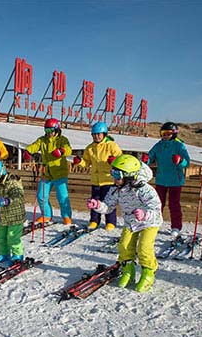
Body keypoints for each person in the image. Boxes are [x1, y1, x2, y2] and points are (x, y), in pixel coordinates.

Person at [86, 154, 162, 293]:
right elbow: (108, 206)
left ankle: (148, 272)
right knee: (124, 245)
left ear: (128, 176)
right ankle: (128, 270)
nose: (113, 177)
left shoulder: (144, 189)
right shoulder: (116, 189)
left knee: (144, 247)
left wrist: (145, 214)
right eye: (112, 172)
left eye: (116, 174)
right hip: (131, 222)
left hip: (149, 222)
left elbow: (156, 209)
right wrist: (97, 205)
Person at [143, 122, 191, 238]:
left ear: (174, 134)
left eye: (168, 134)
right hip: (161, 179)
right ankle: (155, 222)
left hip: (175, 180)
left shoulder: (179, 146)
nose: (165, 136)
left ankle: (176, 226)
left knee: (174, 204)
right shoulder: (159, 145)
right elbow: (151, 156)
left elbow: (187, 162)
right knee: (157, 203)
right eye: (163, 133)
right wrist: (146, 159)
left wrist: (180, 161)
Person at [72, 121, 123, 230]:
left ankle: (110, 222)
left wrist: (114, 161)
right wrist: (79, 161)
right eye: (94, 134)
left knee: (109, 202)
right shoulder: (90, 148)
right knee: (94, 201)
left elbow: (121, 159)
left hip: (109, 179)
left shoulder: (111, 146)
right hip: (96, 180)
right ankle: (94, 220)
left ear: (104, 134)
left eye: (98, 134)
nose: (96, 136)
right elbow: (86, 162)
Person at [24, 118, 73, 225]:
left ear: (57, 130)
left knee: (62, 197)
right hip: (47, 173)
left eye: (51, 131)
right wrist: (28, 151)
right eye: (46, 131)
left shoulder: (62, 140)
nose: (49, 133)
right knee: (41, 196)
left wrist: (61, 151)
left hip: (59, 173)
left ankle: (66, 216)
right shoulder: (42, 140)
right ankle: (46, 215)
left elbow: (68, 149)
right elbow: (34, 146)